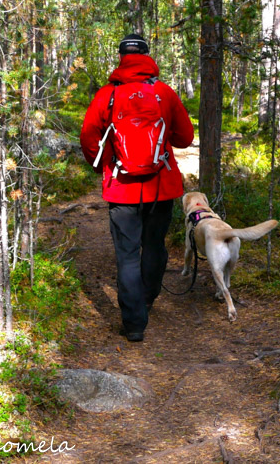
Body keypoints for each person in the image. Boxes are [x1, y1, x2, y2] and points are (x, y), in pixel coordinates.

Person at [80, 34, 195, 342]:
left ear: (121, 57)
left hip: (121, 188)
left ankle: (134, 324)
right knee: (155, 246)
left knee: (127, 255)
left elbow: (88, 136)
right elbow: (185, 138)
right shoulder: (163, 92)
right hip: (162, 187)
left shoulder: (107, 94)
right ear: (147, 56)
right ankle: (147, 298)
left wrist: (105, 164)